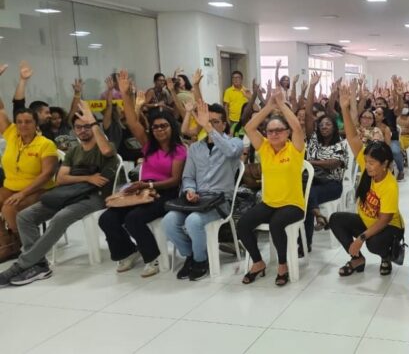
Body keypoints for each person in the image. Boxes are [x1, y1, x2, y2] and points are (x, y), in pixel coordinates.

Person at [0, 101, 118, 286]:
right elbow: (61, 179)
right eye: (78, 127)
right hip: (67, 193)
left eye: (87, 126)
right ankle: (39, 264)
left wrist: (94, 123)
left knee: (60, 218)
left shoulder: (106, 145)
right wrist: (87, 178)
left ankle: (21, 265)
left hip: (95, 196)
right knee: (24, 217)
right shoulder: (73, 151)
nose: (83, 130)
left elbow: (106, 150)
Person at [98, 70, 186, 278]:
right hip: (141, 190)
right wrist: (125, 94)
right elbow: (132, 122)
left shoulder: (179, 150)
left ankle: (152, 257)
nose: (159, 130)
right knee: (106, 219)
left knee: (134, 218)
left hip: (165, 193)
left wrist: (149, 186)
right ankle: (127, 251)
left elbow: (175, 180)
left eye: (164, 126)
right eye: (155, 127)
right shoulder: (149, 145)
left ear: (171, 127)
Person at [162, 100, 243, 281]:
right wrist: (190, 190)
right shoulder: (196, 149)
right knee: (168, 222)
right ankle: (191, 255)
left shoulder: (235, 143)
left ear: (224, 124)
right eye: (208, 121)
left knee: (193, 222)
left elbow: (230, 152)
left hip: (221, 201)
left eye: (215, 122)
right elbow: (188, 177)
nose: (211, 125)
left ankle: (201, 260)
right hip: (196, 200)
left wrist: (207, 126)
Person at [330, 85, 404, 276]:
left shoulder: (389, 185)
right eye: (367, 162)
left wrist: (361, 238)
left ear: (385, 163)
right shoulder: (366, 167)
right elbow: (352, 136)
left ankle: (386, 256)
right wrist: (345, 108)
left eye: (373, 163)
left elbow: (385, 219)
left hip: (389, 227)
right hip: (366, 220)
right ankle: (357, 260)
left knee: (373, 242)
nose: (368, 166)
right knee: (336, 219)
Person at [238, 85, 305, 286]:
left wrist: (282, 105)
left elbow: (298, 128)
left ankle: (282, 265)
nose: (274, 134)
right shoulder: (265, 147)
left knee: (277, 224)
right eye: (270, 131)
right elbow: (248, 127)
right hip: (269, 203)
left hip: (293, 205)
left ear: (286, 133)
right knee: (243, 225)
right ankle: (258, 262)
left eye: (279, 130)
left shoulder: (295, 149)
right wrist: (268, 106)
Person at [0, 67, 58, 260]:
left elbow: (47, 175)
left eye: (28, 121)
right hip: (10, 186)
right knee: (6, 201)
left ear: (36, 124)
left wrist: (23, 194)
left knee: (9, 207)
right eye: (19, 122)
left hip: (38, 190)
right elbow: (0, 110)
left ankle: (26, 245)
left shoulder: (45, 144)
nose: (23, 125)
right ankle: (6, 243)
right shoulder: (11, 135)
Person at [302, 75, 347, 253]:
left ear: (334, 127)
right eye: (321, 124)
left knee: (307, 196)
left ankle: (305, 241)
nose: (324, 127)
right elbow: (307, 115)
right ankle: (317, 218)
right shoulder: (314, 141)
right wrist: (311, 87)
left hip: (332, 185)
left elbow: (332, 164)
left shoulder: (340, 144)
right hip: (313, 183)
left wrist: (310, 162)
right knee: (306, 198)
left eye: (328, 124)